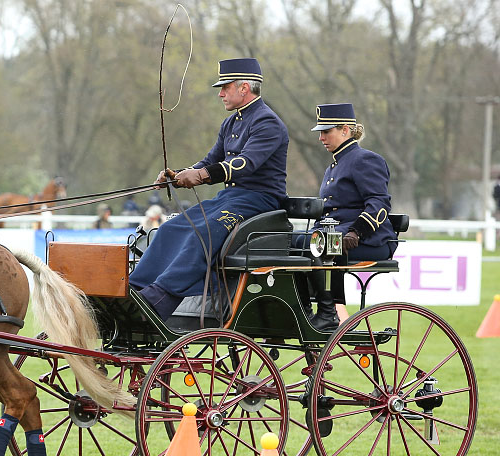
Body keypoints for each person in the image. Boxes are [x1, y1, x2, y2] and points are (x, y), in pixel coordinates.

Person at [129, 58, 289, 320]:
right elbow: (211, 160)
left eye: (225, 87)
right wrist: (179, 174)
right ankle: (136, 289)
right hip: (230, 198)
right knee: (171, 228)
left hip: (260, 201)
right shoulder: (230, 123)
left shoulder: (267, 123)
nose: (220, 93)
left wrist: (201, 175)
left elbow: (245, 163)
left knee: (202, 232)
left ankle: (160, 298)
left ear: (244, 88)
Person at [297, 103, 396, 331]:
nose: (321, 137)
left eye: (326, 131)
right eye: (320, 132)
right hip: (335, 235)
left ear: (345, 130)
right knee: (293, 242)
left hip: (369, 240)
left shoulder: (365, 159)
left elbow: (379, 204)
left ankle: (329, 312)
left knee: (316, 242)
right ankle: (303, 309)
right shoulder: (335, 164)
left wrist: (356, 231)